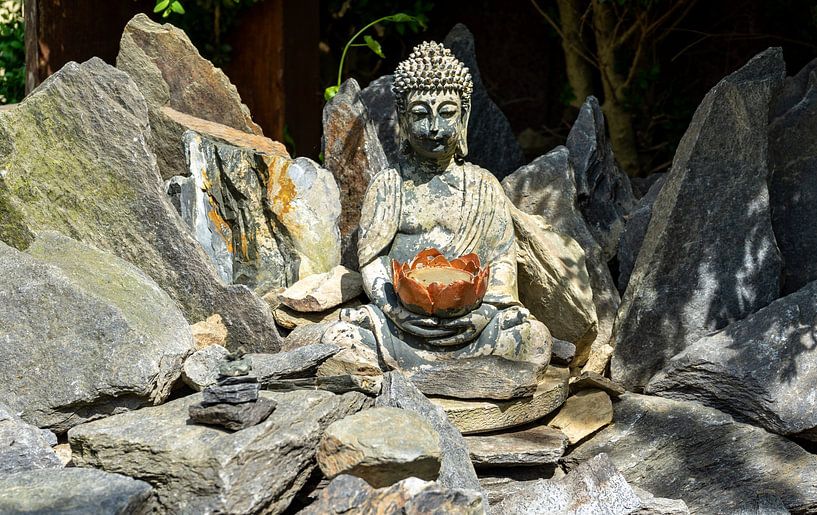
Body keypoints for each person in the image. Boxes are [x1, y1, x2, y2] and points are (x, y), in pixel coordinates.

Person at [322, 42, 551, 373]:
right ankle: (460, 380)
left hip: (472, 323)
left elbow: (501, 261)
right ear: (402, 118)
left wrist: (485, 313)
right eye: (420, 114)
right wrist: (395, 311)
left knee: (535, 340)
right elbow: (372, 261)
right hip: (401, 325)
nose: (434, 128)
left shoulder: (484, 186)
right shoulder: (389, 185)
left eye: (446, 113)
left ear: (464, 116)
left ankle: (420, 382)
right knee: (341, 340)